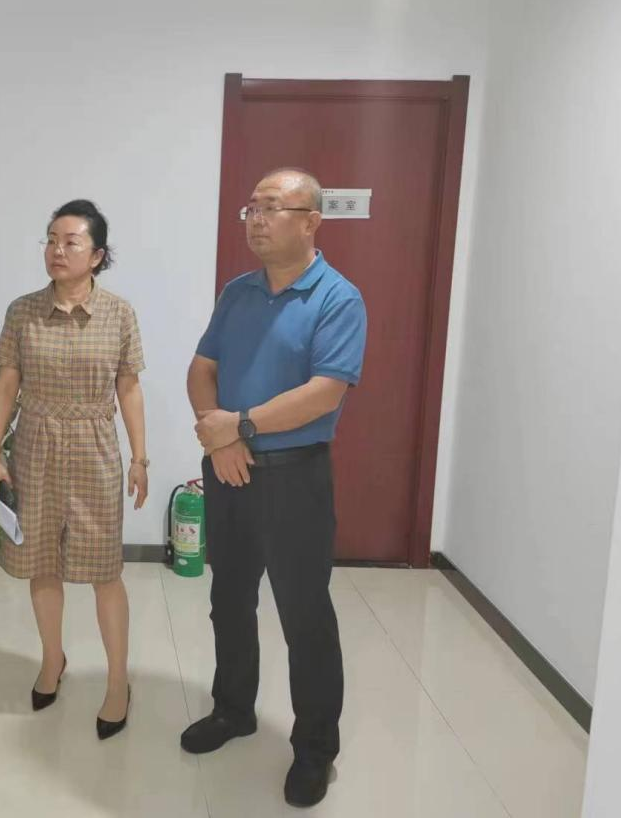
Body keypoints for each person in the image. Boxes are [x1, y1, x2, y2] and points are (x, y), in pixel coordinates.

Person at [182, 168, 367, 808]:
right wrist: (222, 439)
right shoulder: (237, 292)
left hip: (294, 477)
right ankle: (233, 709)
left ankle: (315, 748)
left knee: (303, 613)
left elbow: (325, 392)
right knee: (229, 599)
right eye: (251, 209)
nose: (256, 219)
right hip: (229, 469)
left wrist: (241, 425)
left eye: (271, 208)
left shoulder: (338, 298)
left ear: (311, 221)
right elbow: (202, 368)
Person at [0, 199, 149, 740]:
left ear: (97, 255)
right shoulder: (23, 311)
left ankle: (118, 682)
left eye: (71, 242)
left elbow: (129, 387)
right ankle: (52, 658)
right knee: (41, 562)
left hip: (95, 447)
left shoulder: (118, 313)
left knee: (104, 570)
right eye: (51, 240)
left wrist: (139, 457)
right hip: (35, 444)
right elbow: (6, 385)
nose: (57, 250)